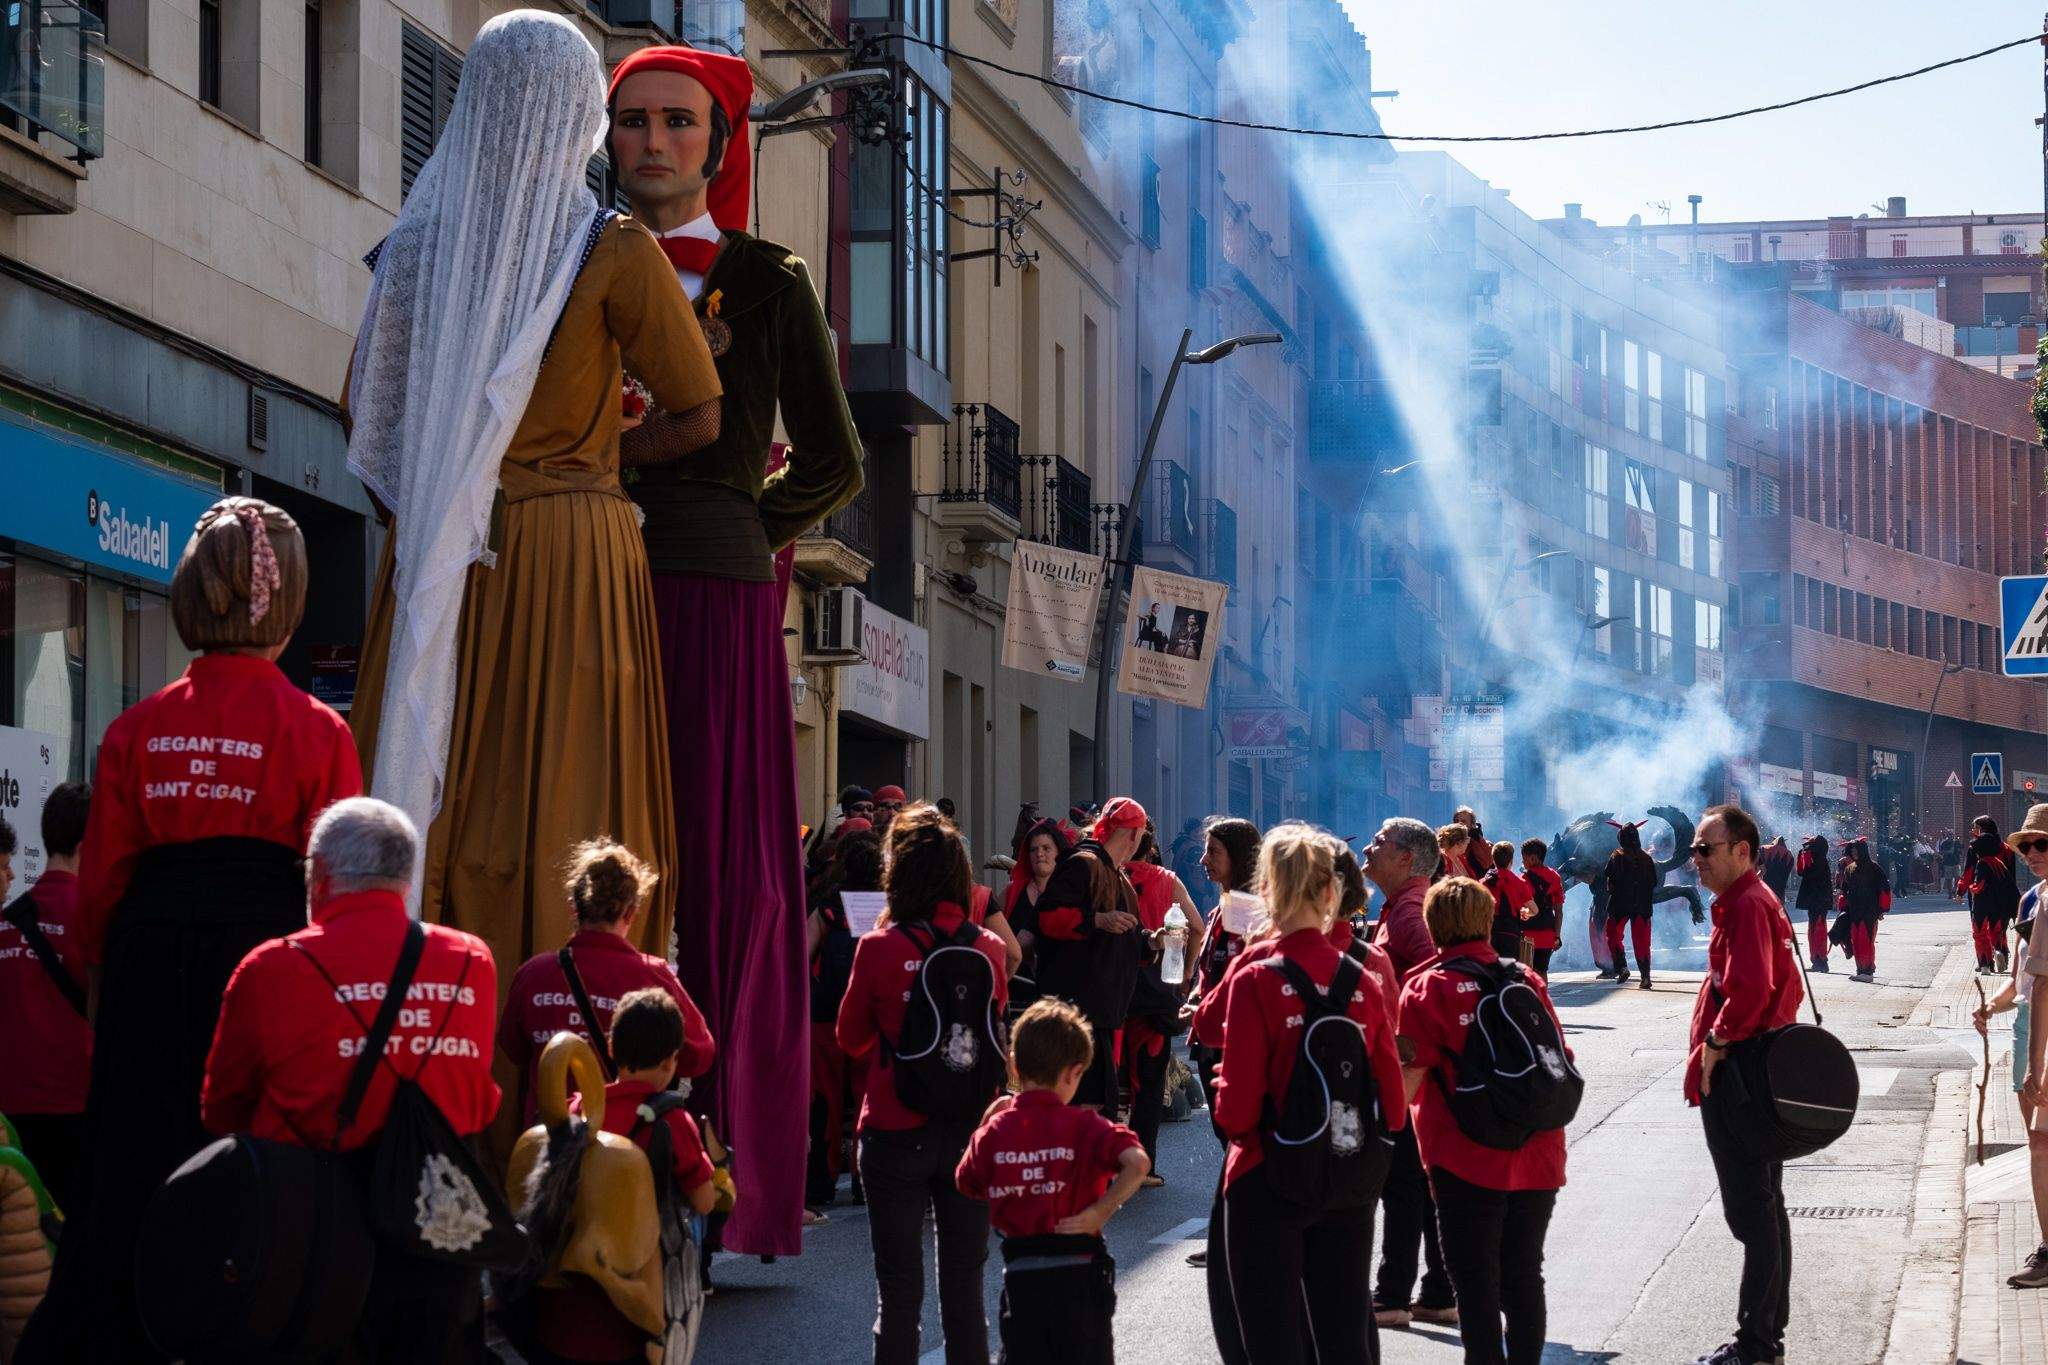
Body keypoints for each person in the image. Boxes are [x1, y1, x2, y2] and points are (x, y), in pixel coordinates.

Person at [346, 13, 723, 1161]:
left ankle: (417, 1063)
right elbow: (700, 411)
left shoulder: (413, 249)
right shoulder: (607, 246)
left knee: (445, 792)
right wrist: (601, 458)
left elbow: (366, 417)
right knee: (571, 795)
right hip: (572, 556)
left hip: (444, 553)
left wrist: (449, 501)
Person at [609, 37, 865, 1254]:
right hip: (574, 569)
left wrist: (733, 527)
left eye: (676, 122)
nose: (651, 143)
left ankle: (715, 1172)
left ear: (717, 145)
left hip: (706, 595)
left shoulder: (767, 280)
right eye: (630, 123)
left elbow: (836, 461)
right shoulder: (570, 257)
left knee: (714, 869)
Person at [25, 497, 360, 1364]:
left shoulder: (133, 731)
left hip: (147, 968)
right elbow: (336, 893)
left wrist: (98, 982)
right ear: (284, 607)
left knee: (131, 1175)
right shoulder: (322, 732)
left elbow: (99, 890)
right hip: (267, 962)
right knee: (262, 1173)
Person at [201, 797, 499, 1361]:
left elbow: (222, 1110)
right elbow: (478, 1104)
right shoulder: (471, 960)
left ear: (319, 876)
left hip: (313, 1240)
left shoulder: (270, 966)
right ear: (406, 878)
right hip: (440, 1235)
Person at [1212, 823, 1405, 1364]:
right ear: (1330, 893)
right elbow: (1392, 1106)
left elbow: (1235, 1111)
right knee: (1345, 1334)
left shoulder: (1254, 977)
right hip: (1346, 1177)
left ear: (1267, 890)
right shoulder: (1363, 980)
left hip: (1265, 1177)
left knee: (1273, 1341)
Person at [836, 804, 1009, 1364]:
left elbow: (850, 1039)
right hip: (969, 1128)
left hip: (893, 1126)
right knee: (965, 1289)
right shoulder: (988, 948)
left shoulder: (879, 948)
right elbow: (992, 1030)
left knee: (899, 1291)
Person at [1400, 877, 1569, 1365]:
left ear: (1433, 924)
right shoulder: (1526, 979)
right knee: (1523, 1275)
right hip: (1537, 1149)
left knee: (1474, 1283)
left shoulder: (1426, 987)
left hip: (1463, 1157)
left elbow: (1407, 1081)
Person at [955, 998, 1150, 1365]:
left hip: (1022, 1279)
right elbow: (1137, 1163)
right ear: (1074, 1074)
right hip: (1081, 1274)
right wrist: (1100, 1211)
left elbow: (966, 1182)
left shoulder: (996, 1131)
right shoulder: (1086, 1126)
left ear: (1014, 1066)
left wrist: (987, 1121)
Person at [536, 987, 725, 1364]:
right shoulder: (672, 1119)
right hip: (637, 1297)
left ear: (610, 1048)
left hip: (566, 1300)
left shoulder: (578, 1108)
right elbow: (704, 1201)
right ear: (672, 1063)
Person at [1686, 805, 1804, 1365]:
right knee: (1767, 1206)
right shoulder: (1750, 901)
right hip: (1756, 1071)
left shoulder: (1748, 905)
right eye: (1694, 849)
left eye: (1705, 849)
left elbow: (1752, 990)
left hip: (1741, 1074)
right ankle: (1767, 1334)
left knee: (1751, 1214)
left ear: (1741, 850)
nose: (1696, 859)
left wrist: (1716, 1043)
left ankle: (1757, 1344)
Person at [498, 840, 715, 1123]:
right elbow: (700, 1055)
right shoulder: (654, 977)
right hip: (625, 1148)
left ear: (574, 907)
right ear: (631, 913)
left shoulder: (533, 974)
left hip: (548, 1148)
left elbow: (513, 1048)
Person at [1363, 816, 1457, 1330]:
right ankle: (1439, 1291)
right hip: (1414, 1066)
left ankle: (1393, 1294)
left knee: (1401, 1182)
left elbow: (1435, 968)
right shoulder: (1402, 905)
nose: (1371, 847)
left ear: (1406, 858)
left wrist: (1406, 1030)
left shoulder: (1407, 913)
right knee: (1417, 1183)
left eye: (1381, 842)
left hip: (1408, 1069)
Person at [0, 786, 91, 1212]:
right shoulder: (95, 920)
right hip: (77, 1112)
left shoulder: (8, 921)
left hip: (10, 1122)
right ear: (87, 845)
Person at [1034, 798, 1151, 1113]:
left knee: (1099, 1106)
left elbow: (1126, 938)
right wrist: (1098, 920)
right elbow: (1048, 918)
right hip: (1077, 1014)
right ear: (1133, 833)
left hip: (1103, 1013)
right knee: (1085, 1108)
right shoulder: (1083, 864)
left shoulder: (1119, 877)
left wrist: (1154, 943)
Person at [1123, 827, 1202, 1185]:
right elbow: (1198, 926)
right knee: (1150, 1084)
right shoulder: (1167, 881)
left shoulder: (1106, 875)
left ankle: (1106, 1163)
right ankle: (1144, 1166)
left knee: (1111, 1081)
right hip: (1157, 995)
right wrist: (1186, 973)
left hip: (1115, 994)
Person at [807, 827, 881, 1210]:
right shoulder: (891, 906)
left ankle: (820, 1180)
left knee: (826, 1101)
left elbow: (803, 952)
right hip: (872, 1016)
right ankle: (864, 1180)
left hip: (825, 1013)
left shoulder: (829, 904)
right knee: (868, 1098)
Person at [1998, 804, 2048, 1286]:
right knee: (2038, 1141)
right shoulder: (2031, 900)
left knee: (2042, 1142)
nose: (2031, 852)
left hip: (2043, 1033)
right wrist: (1995, 1005)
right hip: (2029, 1023)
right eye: (2026, 845)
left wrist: (2037, 1062)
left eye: (2041, 843)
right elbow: (2022, 978)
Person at [1003, 817, 1070, 1001]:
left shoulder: (1070, 894)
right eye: (1034, 849)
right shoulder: (1011, 893)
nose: (1039, 854)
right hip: (1014, 992)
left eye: (1046, 848)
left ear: (1059, 852)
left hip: (1057, 996)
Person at [1959, 817, 2021, 975]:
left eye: (1975, 828)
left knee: (1979, 930)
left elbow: (1968, 872)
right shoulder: (2007, 849)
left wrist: (1961, 891)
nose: (1973, 831)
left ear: (1981, 829)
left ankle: (1985, 963)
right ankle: (2001, 953)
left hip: (1980, 893)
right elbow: (2012, 876)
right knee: (1998, 928)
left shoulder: (1976, 847)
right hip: (2003, 893)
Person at [1603, 822, 1659, 989]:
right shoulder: (1647, 858)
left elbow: (1609, 880)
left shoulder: (1616, 855)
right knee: (1642, 941)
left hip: (1619, 904)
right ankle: (1645, 977)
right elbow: (1653, 882)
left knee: (1612, 934)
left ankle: (1622, 967)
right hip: (1642, 905)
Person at [1836, 837, 1891, 983]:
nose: (1854, 853)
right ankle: (1860, 970)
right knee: (1856, 939)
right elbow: (1845, 890)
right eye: (1852, 851)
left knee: (1866, 939)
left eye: (1856, 850)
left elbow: (1884, 889)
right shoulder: (1849, 868)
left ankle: (1867, 970)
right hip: (1854, 910)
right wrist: (1842, 907)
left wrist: (1882, 910)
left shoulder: (1874, 868)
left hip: (1870, 910)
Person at [1519, 839, 1565, 978]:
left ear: (1533, 858)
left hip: (1527, 935)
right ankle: (1543, 998)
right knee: (1542, 971)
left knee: (1527, 974)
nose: (1523, 863)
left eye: (1524, 859)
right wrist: (1557, 935)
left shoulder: (1524, 879)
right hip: (1548, 933)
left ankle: (1530, 999)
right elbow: (1558, 910)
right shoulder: (1554, 877)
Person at [1483, 841, 1533, 962]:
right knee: (1509, 972)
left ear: (1493, 860)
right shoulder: (1519, 883)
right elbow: (1534, 910)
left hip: (1488, 933)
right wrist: (1525, 913)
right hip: (1510, 933)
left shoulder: (1483, 883)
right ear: (1511, 861)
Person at [1793, 835, 1834, 972]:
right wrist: (1803, 854)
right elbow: (1801, 871)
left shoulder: (1820, 860)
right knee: (1813, 930)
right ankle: (1816, 960)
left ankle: (1821, 960)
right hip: (1814, 900)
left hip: (1819, 901)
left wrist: (1806, 854)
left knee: (1818, 930)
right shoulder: (1816, 859)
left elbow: (1808, 873)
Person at [1756, 835, 1794, 902]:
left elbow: (1759, 867)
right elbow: (1788, 870)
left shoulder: (1763, 848)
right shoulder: (1789, 854)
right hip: (1780, 886)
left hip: (1765, 884)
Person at [1940, 829, 1962, 896]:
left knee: (1958, 877)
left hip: (1956, 862)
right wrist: (1948, 852)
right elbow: (1941, 852)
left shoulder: (1956, 842)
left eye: (1952, 834)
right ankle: (1950, 892)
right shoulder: (1944, 843)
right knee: (1949, 879)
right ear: (1947, 835)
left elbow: (1960, 851)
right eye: (1949, 834)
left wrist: (1959, 850)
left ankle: (1955, 889)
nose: (1951, 835)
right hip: (1948, 863)